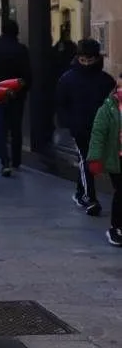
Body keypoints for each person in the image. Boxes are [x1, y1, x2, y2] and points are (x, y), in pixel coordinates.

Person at [55, 38, 115, 217]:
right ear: (78, 58)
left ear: (97, 59)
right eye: (83, 60)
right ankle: (90, 198)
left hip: (102, 128)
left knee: (94, 161)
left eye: (91, 60)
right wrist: (69, 123)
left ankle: (81, 193)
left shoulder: (106, 80)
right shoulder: (67, 79)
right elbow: (61, 104)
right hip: (80, 126)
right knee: (86, 160)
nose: (87, 64)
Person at [0, 19, 31, 177]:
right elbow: (27, 75)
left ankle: (5, 162)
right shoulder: (21, 50)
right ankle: (16, 160)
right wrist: (23, 90)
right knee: (16, 129)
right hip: (16, 95)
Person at [86, 74, 122, 247]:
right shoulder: (108, 108)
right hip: (117, 158)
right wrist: (95, 158)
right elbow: (98, 134)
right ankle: (116, 227)